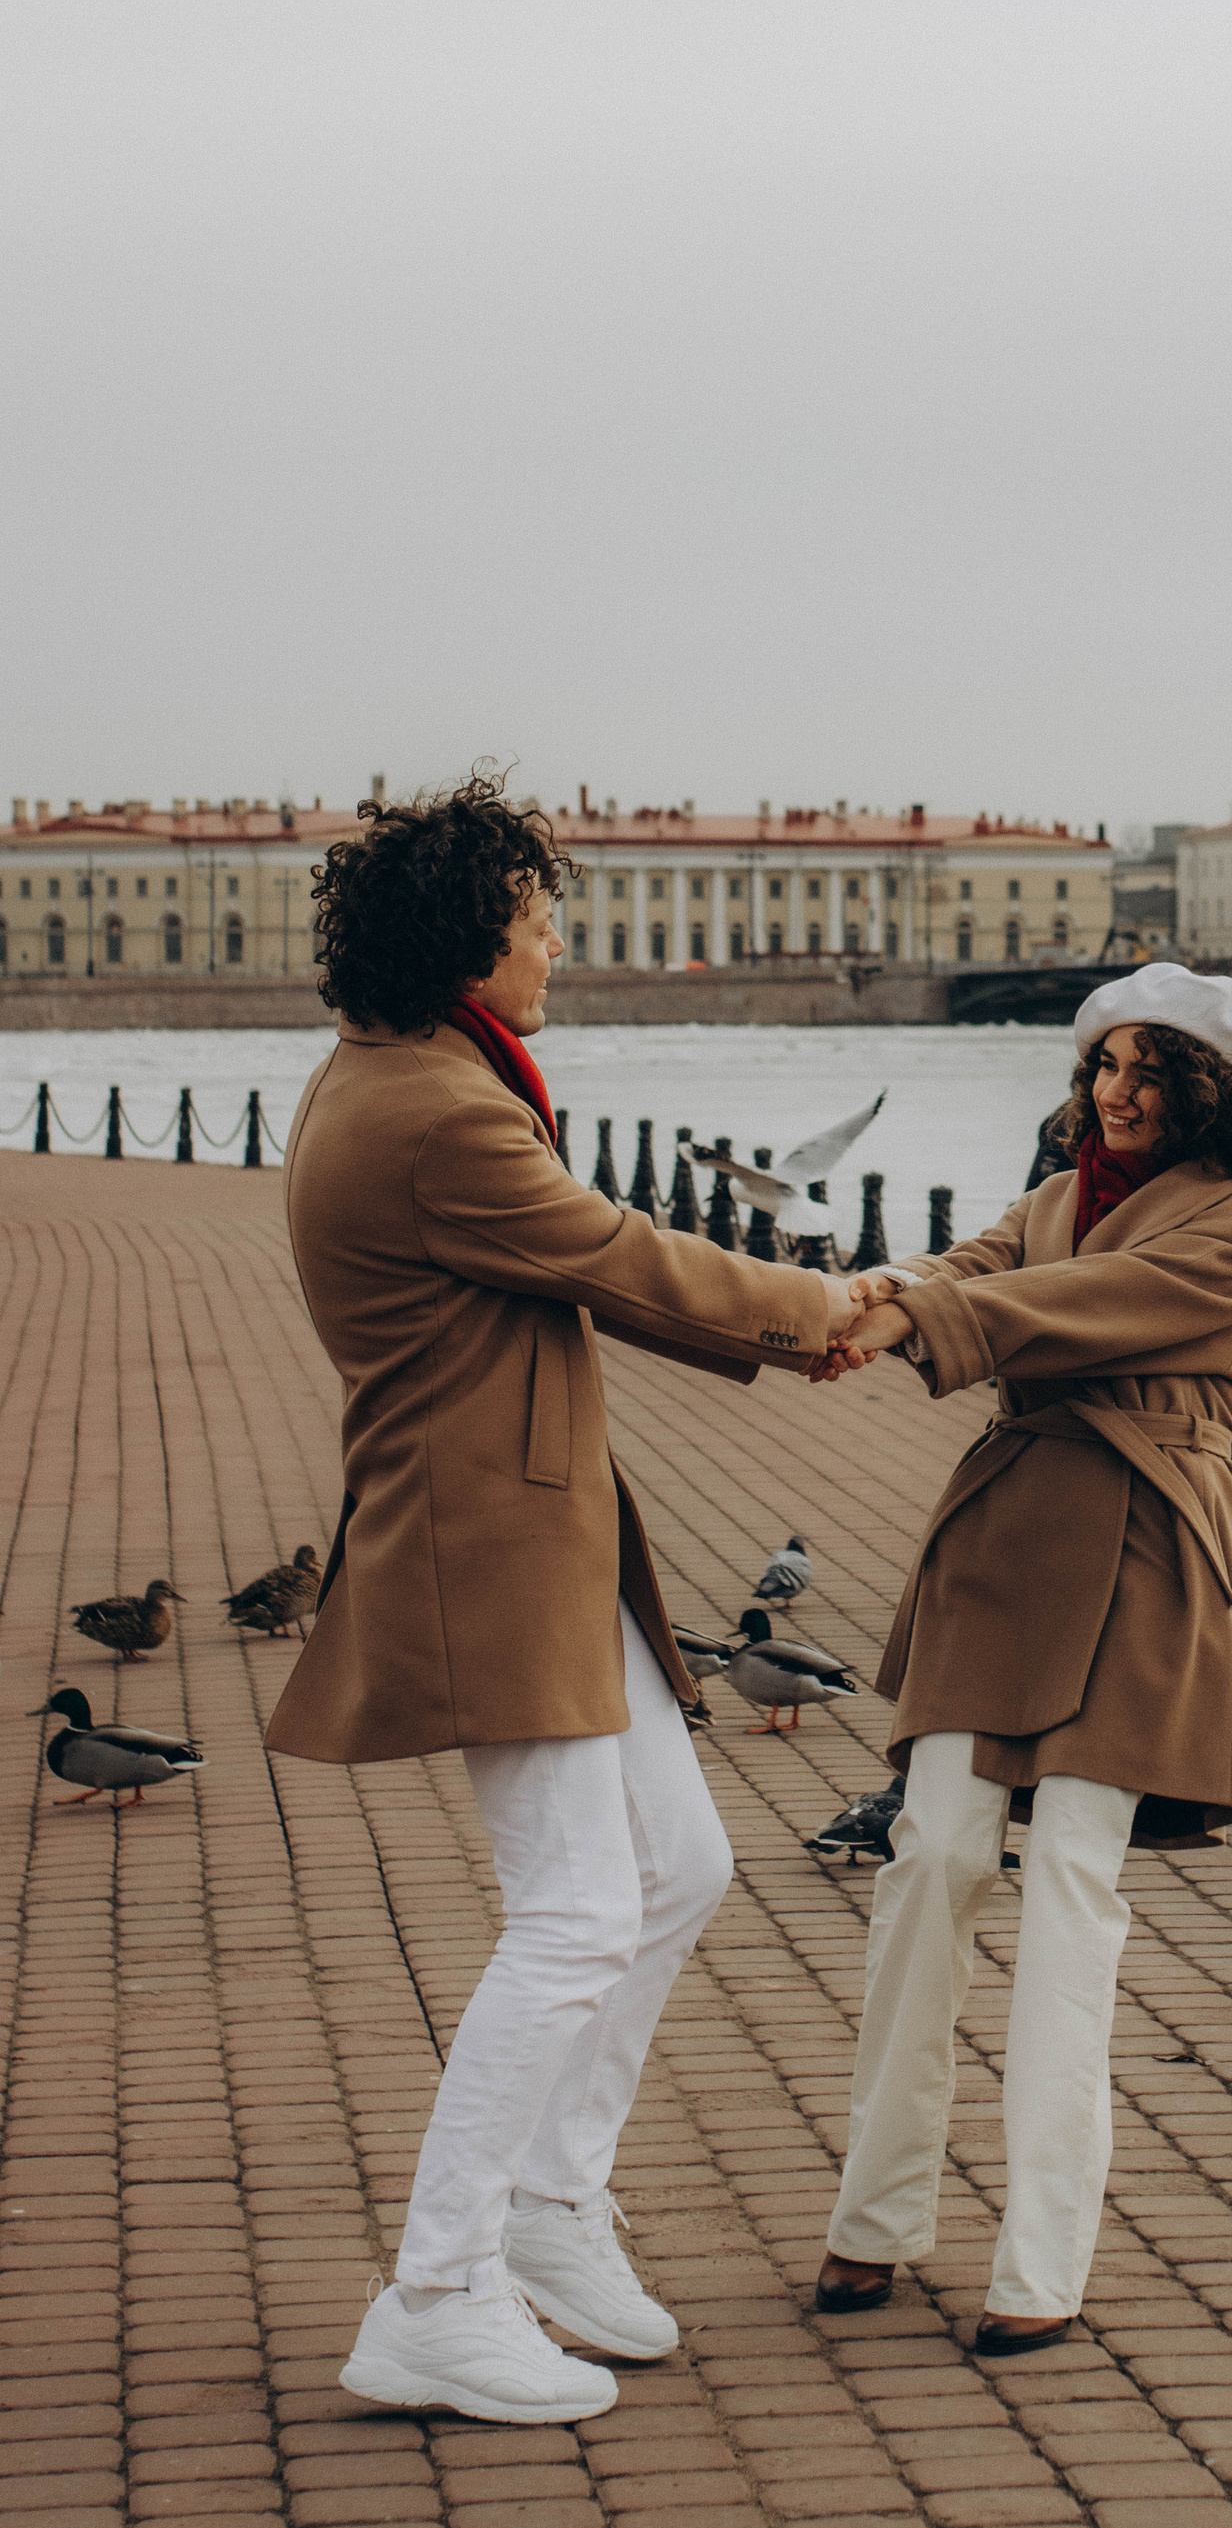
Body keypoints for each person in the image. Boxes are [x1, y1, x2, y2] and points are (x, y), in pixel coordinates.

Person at [268, 775, 872, 2427]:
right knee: (577, 1911)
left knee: (681, 1866)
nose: (558, 953)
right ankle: (435, 2294)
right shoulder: (434, 1112)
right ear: (472, 940)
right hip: (482, 1550)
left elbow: (584, 1267)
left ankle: (545, 2205)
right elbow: (616, 1253)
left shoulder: (409, 1074)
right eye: (542, 925)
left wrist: (803, 1321)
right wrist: (826, 1309)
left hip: (540, 1541)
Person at [818, 964, 1232, 2353]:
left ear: (1206, 1089)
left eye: (1147, 1071)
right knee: (930, 1860)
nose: (1116, 1093)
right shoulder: (1052, 1198)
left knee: (1074, 1880)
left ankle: (1041, 2257)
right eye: (1103, 1068)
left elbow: (1080, 1301)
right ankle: (876, 2215)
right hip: (1010, 1538)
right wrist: (869, 1295)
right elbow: (977, 1269)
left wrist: (913, 1319)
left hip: (1145, 1543)